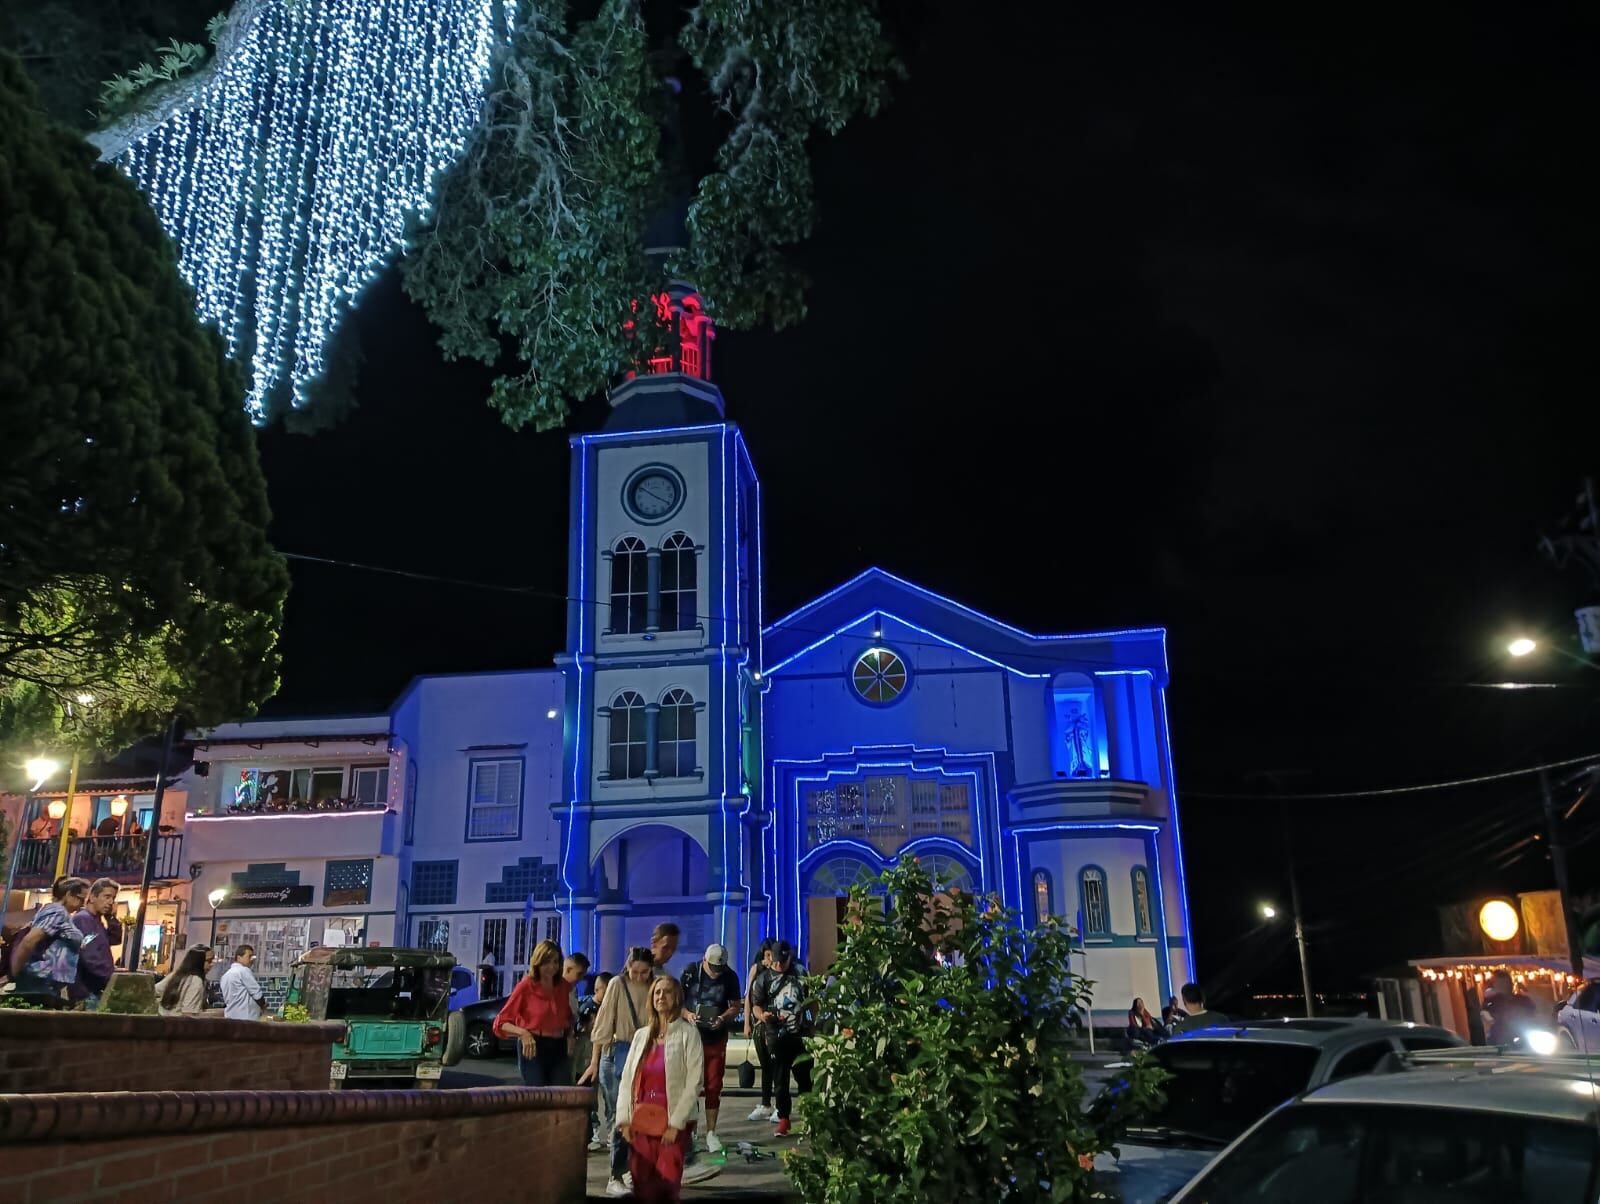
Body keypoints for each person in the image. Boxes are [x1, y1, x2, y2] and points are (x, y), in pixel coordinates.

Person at [616, 975, 704, 1204]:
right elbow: (627, 1080)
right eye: (657, 992)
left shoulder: (688, 1034)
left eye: (666, 992)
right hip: (641, 1122)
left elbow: (694, 1082)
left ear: (676, 998)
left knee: (666, 1186)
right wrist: (624, 1120)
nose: (660, 997)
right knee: (642, 1185)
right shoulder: (641, 1036)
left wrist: (676, 1124)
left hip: (672, 1122)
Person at [581, 947, 656, 1197]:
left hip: (643, 1051)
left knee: (640, 1116)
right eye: (635, 971)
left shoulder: (654, 985)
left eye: (644, 972)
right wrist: (594, 1061)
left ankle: (628, 1170)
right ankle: (615, 1175)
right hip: (616, 1052)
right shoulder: (617, 984)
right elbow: (602, 1026)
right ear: (628, 966)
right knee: (619, 1117)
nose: (639, 976)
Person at [681, 943, 740, 1155]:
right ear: (704, 960)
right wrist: (687, 1015)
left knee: (714, 1084)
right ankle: (691, 1131)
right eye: (713, 968)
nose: (716, 973)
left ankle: (711, 1132)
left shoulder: (730, 976)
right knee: (691, 1085)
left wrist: (723, 1018)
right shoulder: (690, 972)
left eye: (719, 969)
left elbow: (735, 1005)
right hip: (692, 1038)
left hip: (716, 1039)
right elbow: (676, 1003)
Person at [751, 940, 811, 1136]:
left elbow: (812, 999)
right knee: (780, 1079)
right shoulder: (764, 978)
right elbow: (756, 1005)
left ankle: (811, 1117)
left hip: (799, 1033)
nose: (778, 966)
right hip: (775, 1035)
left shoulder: (801, 973)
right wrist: (761, 1016)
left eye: (782, 962)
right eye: (775, 962)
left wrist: (814, 1022)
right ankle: (784, 1119)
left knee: (805, 1076)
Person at [494, 939, 574, 1086]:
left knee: (561, 1095)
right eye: (547, 962)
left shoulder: (562, 986)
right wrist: (523, 1033)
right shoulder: (526, 986)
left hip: (559, 1046)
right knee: (539, 1095)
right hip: (534, 1046)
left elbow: (567, 1017)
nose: (552, 967)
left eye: (555, 962)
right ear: (537, 963)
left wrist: (570, 1036)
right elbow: (500, 1023)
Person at [7, 876, 98, 1005]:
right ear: (68, 894)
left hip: (46, 982)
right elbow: (29, 941)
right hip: (40, 980)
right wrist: (16, 971)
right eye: (80, 898)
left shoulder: (61, 914)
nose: (83, 904)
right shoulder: (57, 912)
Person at [70, 878, 121, 1009]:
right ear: (92, 897)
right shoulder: (84, 919)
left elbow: (115, 939)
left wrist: (111, 918)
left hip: (95, 991)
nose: (110, 902)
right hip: (88, 992)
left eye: (113, 898)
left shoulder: (96, 921)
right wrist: (113, 980)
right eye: (107, 897)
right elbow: (90, 958)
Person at [744, 939, 778, 1121]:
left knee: (777, 1066)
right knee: (765, 1065)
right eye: (766, 955)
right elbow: (749, 997)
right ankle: (765, 1103)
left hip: (776, 1023)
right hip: (759, 1023)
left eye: (772, 954)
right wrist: (746, 1023)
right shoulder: (757, 970)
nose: (769, 959)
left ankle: (779, 1106)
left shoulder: (781, 971)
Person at [582, 971, 614, 1151]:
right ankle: (593, 1132)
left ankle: (611, 1133)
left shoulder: (611, 1008)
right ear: (599, 989)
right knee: (591, 1097)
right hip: (589, 1057)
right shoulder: (588, 1008)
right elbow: (581, 1029)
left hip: (608, 1057)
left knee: (610, 1096)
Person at [1483, 969, 1539, 1045]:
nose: (1504, 986)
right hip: (1499, 1040)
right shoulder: (1491, 1002)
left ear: (1511, 984)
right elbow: (1485, 1015)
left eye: (1506, 983)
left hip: (1524, 1035)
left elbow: (1533, 1014)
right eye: (1500, 983)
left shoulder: (1523, 1000)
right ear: (1495, 985)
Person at [157, 946, 213, 1015]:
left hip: (165, 1022)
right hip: (178, 1024)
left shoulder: (176, 975)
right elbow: (188, 1015)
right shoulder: (195, 981)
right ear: (198, 961)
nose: (212, 965)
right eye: (209, 961)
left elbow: (153, 990)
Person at [220, 944, 265, 1021]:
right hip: (246, 1017)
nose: (252, 959)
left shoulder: (225, 975)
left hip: (230, 1017)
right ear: (239, 958)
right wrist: (263, 1005)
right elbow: (257, 994)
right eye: (249, 956)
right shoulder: (243, 971)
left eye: (253, 957)